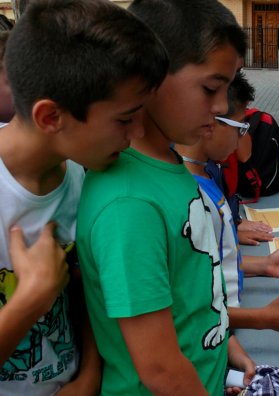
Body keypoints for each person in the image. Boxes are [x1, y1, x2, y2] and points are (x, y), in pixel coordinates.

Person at [75, 0, 255, 394]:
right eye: (211, 88)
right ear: (151, 74)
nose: (222, 106)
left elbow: (191, 295)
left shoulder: (171, 162)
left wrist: (224, 348)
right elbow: (158, 368)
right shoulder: (129, 203)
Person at [0, 0, 169, 394]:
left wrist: (90, 373)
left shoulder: (82, 174)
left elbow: (91, 293)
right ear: (51, 118)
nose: (138, 133)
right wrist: (30, 301)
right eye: (125, 119)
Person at [177, 72, 279, 338]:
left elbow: (209, 262)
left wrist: (264, 265)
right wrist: (262, 319)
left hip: (223, 332)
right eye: (241, 127)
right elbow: (188, 300)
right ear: (211, 122)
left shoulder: (208, 173)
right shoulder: (186, 195)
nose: (243, 139)